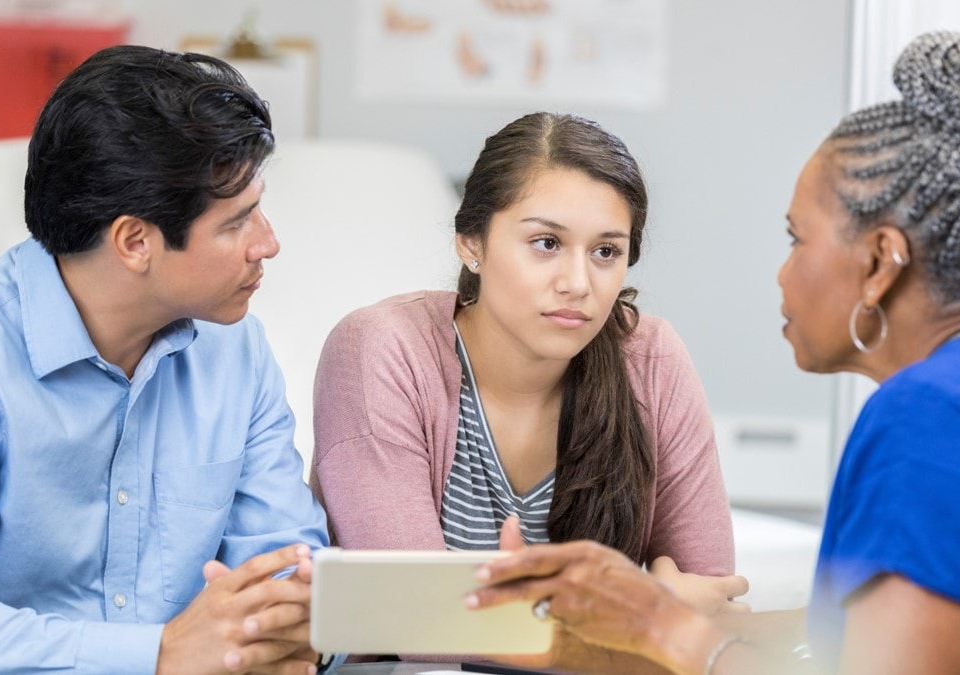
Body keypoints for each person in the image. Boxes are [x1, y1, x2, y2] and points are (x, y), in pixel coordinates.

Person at [467, 31, 960, 675]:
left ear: (879, 262)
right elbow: (846, 638)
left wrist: (656, 623)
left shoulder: (936, 413)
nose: (782, 275)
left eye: (797, 238)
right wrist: (625, 612)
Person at [0, 45, 341, 674]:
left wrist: (292, 635)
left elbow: (285, 561)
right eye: (237, 222)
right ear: (134, 241)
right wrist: (157, 655)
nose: (269, 243)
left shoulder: (236, 349)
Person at [311, 112, 744, 662]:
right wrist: (644, 613)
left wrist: (660, 618)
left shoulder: (650, 359)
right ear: (471, 243)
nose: (578, 283)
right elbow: (414, 624)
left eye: (605, 251)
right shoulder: (381, 349)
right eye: (545, 242)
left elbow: (714, 603)